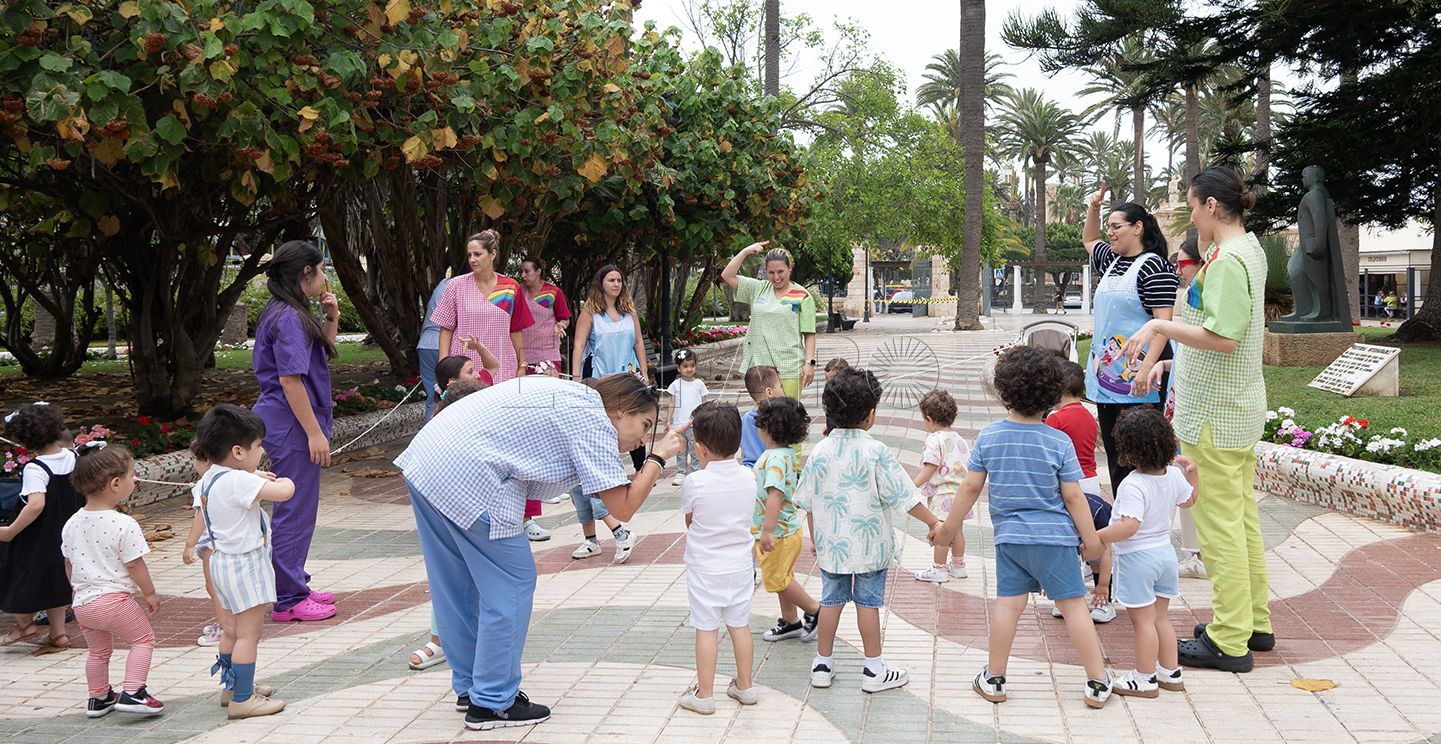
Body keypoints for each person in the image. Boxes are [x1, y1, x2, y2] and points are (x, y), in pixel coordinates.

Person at [395, 373, 686, 731]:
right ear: (622, 410)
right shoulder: (595, 420)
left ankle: (471, 688)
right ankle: (492, 702)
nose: (642, 438)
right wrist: (658, 457)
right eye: (644, 425)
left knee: (458, 586)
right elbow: (622, 508)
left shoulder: (577, 398)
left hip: (427, 461)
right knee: (512, 583)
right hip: (471, 474)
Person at [1124, 166, 1272, 673]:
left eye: (1192, 206)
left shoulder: (1228, 260)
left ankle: (1229, 639)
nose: (1190, 217)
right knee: (1241, 521)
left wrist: (1161, 326)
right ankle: (1253, 622)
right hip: (1235, 410)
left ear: (1211, 205)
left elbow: (1224, 338)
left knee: (1219, 530)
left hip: (1215, 415)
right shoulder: (1245, 249)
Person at [934, 346, 1112, 709]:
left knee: (1008, 606)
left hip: (1011, 540)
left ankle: (994, 678)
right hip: (1056, 540)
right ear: (1053, 395)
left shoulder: (989, 437)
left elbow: (969, 488)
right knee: (1074, 606)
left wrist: (948, 529)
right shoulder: (1058, 441)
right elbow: (1074, 497)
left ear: (1003, 391)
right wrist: (1092, 542)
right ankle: (1097, 681)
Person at [795, 368, 940, 694]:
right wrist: (933, 522)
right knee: (867, 604)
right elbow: (905, 496)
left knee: (830, 602)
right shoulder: (876, 451)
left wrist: (816, 539)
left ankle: (822, 664)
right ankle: (874, 669)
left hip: (832, 547)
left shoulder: (820, 451)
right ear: (871, 414)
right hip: (870, 548)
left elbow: (808, 502)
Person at [251, 240, 338, 623]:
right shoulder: (288, 316)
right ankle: (288, 598)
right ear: (306, 273)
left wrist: (331, 318)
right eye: (321, 269)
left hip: (287, 419)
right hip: (290, 423)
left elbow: (316, 361)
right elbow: (290, 380)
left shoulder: (287, 310)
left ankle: (294, 581)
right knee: (294, 510)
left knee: (298, 508)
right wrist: (314, 433)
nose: (324, 276)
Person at [190, 405, 297, 718]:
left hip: (221, 563)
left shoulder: (209, 478)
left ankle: (231, 687)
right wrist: (287, 481)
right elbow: (283, 492)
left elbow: (240, 488)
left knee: (232, 631)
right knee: (249, 634)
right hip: (246, 565)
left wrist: (251, 476)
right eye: (258, 446)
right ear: (237, 452)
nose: (262, 452)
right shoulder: (240, 482)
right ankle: (242, 699)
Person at [1081, 183, 1179, 493]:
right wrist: (1094, 207)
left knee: (1142, 452)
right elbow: (1089, 239)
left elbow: (1163, 324)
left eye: (1116, 226)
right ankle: (1124, 510)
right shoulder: (1109, 261)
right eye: (1108, 227)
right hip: (1108, 376)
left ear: (1138, 228)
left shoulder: (1155, 267)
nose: (1110, 233)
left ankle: (1146, 511)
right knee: (1116, 451)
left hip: (1143, 375)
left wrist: (1145, 369)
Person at [1096, 408, 1199, 698]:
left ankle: (1144, 677)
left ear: (1128, 448)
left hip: (1138, 559)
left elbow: (1129, 526)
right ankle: (1170, 672)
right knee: (1161, 619)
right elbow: (1189, 501)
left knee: (1142, 622)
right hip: (1166, 555)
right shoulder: (1173, 476)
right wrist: (1194, 475)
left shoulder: (1133, 484)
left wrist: (1095, 536)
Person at [62, 444, 165, 717]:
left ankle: (99, 698)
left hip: (83, 603)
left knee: (98, 652)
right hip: (114, 601)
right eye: (132, 475)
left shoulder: (71, 523)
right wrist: (150, 593)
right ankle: (134, 692)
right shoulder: (123, 523)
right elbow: (134, 564)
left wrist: (76, 590)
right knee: (142, 639)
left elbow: (68, 562)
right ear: (116, 484)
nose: (135, 479)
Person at [677, 402, 758, 714]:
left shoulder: (695, 481)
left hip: (704, 567)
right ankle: (745, 686)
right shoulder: (749, 476)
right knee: (740, 625)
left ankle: (705, 695)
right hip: (740, 565)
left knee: (706, 628)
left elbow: (690, 519)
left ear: (700, 448)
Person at [407, 376, 488, 674]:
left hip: (481, 523)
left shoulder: (483, 435)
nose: (475, 373)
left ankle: (472, 646)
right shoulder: (437, 438)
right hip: (449, 519)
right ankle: (441, 640)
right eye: (468, 369)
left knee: (481, 585)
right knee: (448, 579)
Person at [568, 265, 646, 562]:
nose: (616, 284)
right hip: (600, 383)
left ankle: (634, 477)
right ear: (600, 283)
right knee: (597, 447)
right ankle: (592, 538)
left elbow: (638, 343)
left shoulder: (629, 310)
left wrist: (645, 374)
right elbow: (578, 345)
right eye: (611, 280)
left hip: (628, 379)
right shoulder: (590, 312)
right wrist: (576, 379)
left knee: (625, 435)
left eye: (619, 280)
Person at [0, 402, 81, 647]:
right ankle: (58, 634)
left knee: (16, 572)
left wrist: (10, 531)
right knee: (56, 579)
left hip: (38, 535)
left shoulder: (36, 467)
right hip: (66, 532)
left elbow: (35, 504)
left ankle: (25, 624)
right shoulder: (74, 457)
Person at [1151, 237, 1207, 581]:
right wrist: (1165, 364)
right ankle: (1194, 552)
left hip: (1193, 411)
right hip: (1178, 408)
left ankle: (1200, 554)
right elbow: (1188, 354)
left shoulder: (1204, 301)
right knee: (1183, 478)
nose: (1178, 272)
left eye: (1183, 265)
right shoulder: (1192, 300)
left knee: (1191, 480)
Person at [1045, 361, 1117, 624]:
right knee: (1094, 539)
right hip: (1091, 482)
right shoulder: (1088, 415)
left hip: (1068, 486)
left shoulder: (1054, 419)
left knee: (1068, 543)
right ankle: (1103, 598)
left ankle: (1067, 597)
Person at [751, 397, 820, 643]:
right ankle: (791, 621)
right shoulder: (783, 454)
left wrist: (767, 531)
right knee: (783, 577)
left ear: (768, 427)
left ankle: (815, 610)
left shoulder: (776, 459)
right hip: (785, 530)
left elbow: (775, 495)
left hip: (779, 533)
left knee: (777, 579)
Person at [433, 229, 533, 383]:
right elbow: (446, 328)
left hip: (502, 364)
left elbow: (516, 330)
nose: (472, 260)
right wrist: (444, 366)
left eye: (477, 254)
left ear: (492, 254)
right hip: (464, 367)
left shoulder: (511, 287)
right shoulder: (456, 285)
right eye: (469, 255)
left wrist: (522, 365)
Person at [720, 241, 818, 400]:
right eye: (771, 272)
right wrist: (745, 251)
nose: (776, 277)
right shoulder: (758, 289)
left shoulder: (803, 296)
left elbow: (809, 334)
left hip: (789, 367)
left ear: (789, 268)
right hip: (760, 369)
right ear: (765, 271)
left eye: (780, 271)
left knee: (787, 413)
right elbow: (727, 275)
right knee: (762, 413)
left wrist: (809, 363)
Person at [911, 390, 973, 583]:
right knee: (957, 530)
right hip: (961, 494)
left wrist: (912, 485)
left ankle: (939, 568)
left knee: (942, 531)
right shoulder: (959, 439)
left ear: (929, 419)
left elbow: (930, 466)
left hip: (942, 495)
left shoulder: (934, 439)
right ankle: (958, 566)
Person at [518, 256, 571, 376]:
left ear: (538, 271)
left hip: (548, 354)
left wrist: (560, 325)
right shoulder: (519, 292)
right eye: (522, 271)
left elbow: (564, 318)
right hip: (523, 355)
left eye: (527, 271)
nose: (523, 275)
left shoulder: (553, 293)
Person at [666, 349, 709, 487]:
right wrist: (668, 420)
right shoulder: (675, 385)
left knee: (695, 449)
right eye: (685, 366)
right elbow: (672, 403)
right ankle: (681, 472)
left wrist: (705, 418)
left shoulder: (699, 384)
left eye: (692, 365)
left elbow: (704, 403)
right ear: (678, 368)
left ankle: (696, 471)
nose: (689, 369)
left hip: (694, 424)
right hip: (679, 424)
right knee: (680, 449)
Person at [418, 274, 453, 420]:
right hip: (445, 345)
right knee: (451, 397)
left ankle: (428, 430)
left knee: (433, 398)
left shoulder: (443, 284)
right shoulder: (460, 287)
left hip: (425, 344)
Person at [739, 366, 782, 469]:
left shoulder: (745, 419)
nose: (783, 390)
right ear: (769, 392)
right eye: (781, 386)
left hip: (750, 469)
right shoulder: (778, 417)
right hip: (774, 469)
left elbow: (743, 451)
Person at [821, 358, 849, 436]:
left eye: (832, 379)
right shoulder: (830, 393)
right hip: (833, 431)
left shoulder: (847, 396)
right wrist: (828, 427)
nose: (829, 383)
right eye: (827, 379)